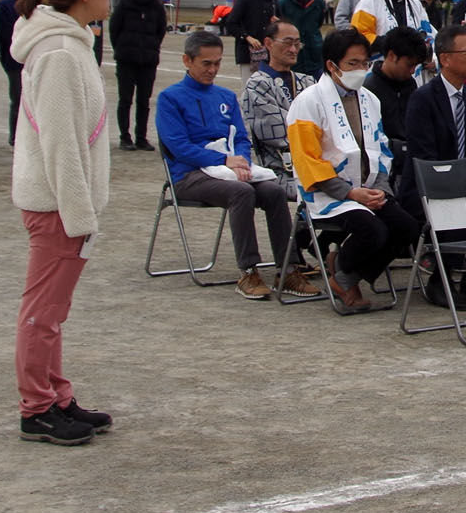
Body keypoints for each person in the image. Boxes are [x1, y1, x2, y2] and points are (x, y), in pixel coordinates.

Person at [9, 0, 125, 445]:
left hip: (62, 202)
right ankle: (36, 407)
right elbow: (60, 140)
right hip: (58, 204)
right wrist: (80, 215)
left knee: (52, 311)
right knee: (43, 312)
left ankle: (56, 396)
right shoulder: (59, 52)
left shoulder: (68, 41)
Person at [158, 28, 298, 298]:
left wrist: (242, 162)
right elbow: (178, 146)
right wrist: (224, 160)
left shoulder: (225, 97)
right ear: (187, 61)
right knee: (242, 192)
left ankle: (289, 268)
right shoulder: (170, 98)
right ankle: (248, 271)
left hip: (229, 170)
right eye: (206, 63)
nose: (213, 70)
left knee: (274, 191)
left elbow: (242, 138)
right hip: (189, 176)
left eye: (218, 63)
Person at [286, 28, 418, 312]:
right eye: (352, 64)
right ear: (332, 65)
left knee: (406, 227)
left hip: (367, 187)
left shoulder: (370, 100)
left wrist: (380, 189)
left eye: (364, 63)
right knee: (373, 230)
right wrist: (350, 193)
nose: (360, 70)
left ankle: (345, 270)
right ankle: (345, 273)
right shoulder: (308, 101)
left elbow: (381, 149)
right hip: (327, 192)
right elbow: (307, 160)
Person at [403, 23, 466, 305]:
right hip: (426, 189)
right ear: (445, 58)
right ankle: (440, 279)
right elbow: (426, 159)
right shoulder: (423, 99)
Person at [108, 0, 167, 150]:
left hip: (148, 60)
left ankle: (141, 137)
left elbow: (160, 30)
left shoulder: (156, 6)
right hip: (126, 59)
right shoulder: (125, 3)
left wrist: (151, 47)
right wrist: (121, 48)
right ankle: (124, 137)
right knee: (125, 99)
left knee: (144, 100)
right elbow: (114, 28)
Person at [243, 26, 314, 173]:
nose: (293, 50)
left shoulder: (307, 81)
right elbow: (276, 131)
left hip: (314, 162)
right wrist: (314, 132)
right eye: (287, 43)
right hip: (279, 169)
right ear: (268, 43)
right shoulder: (257, 84)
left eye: (297, 44)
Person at [366, 25, 429, 147]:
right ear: (391, 56)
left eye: (415, 66)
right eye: (409, 65)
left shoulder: (410, 84)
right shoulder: (369, 89)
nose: (412, 71)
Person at [0, 0, 32, 146]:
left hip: (34, 58)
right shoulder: (6, 5)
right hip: (14, 60)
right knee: (18, 99)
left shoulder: (36, 3)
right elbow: (5, 34)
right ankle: (15, 139)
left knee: (33, 100)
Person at [276, 0, 329, 79]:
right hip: (293, 52)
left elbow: (319, 22)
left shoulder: (318, 1)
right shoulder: (284, 2)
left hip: (314, 52)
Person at [224, 0, 279, 69]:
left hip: (269, 54)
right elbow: (231, 24)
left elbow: (282, 22)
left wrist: (278, 23)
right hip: (248, 54)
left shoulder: (273, 1)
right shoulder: (244, 0)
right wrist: (247, 37)